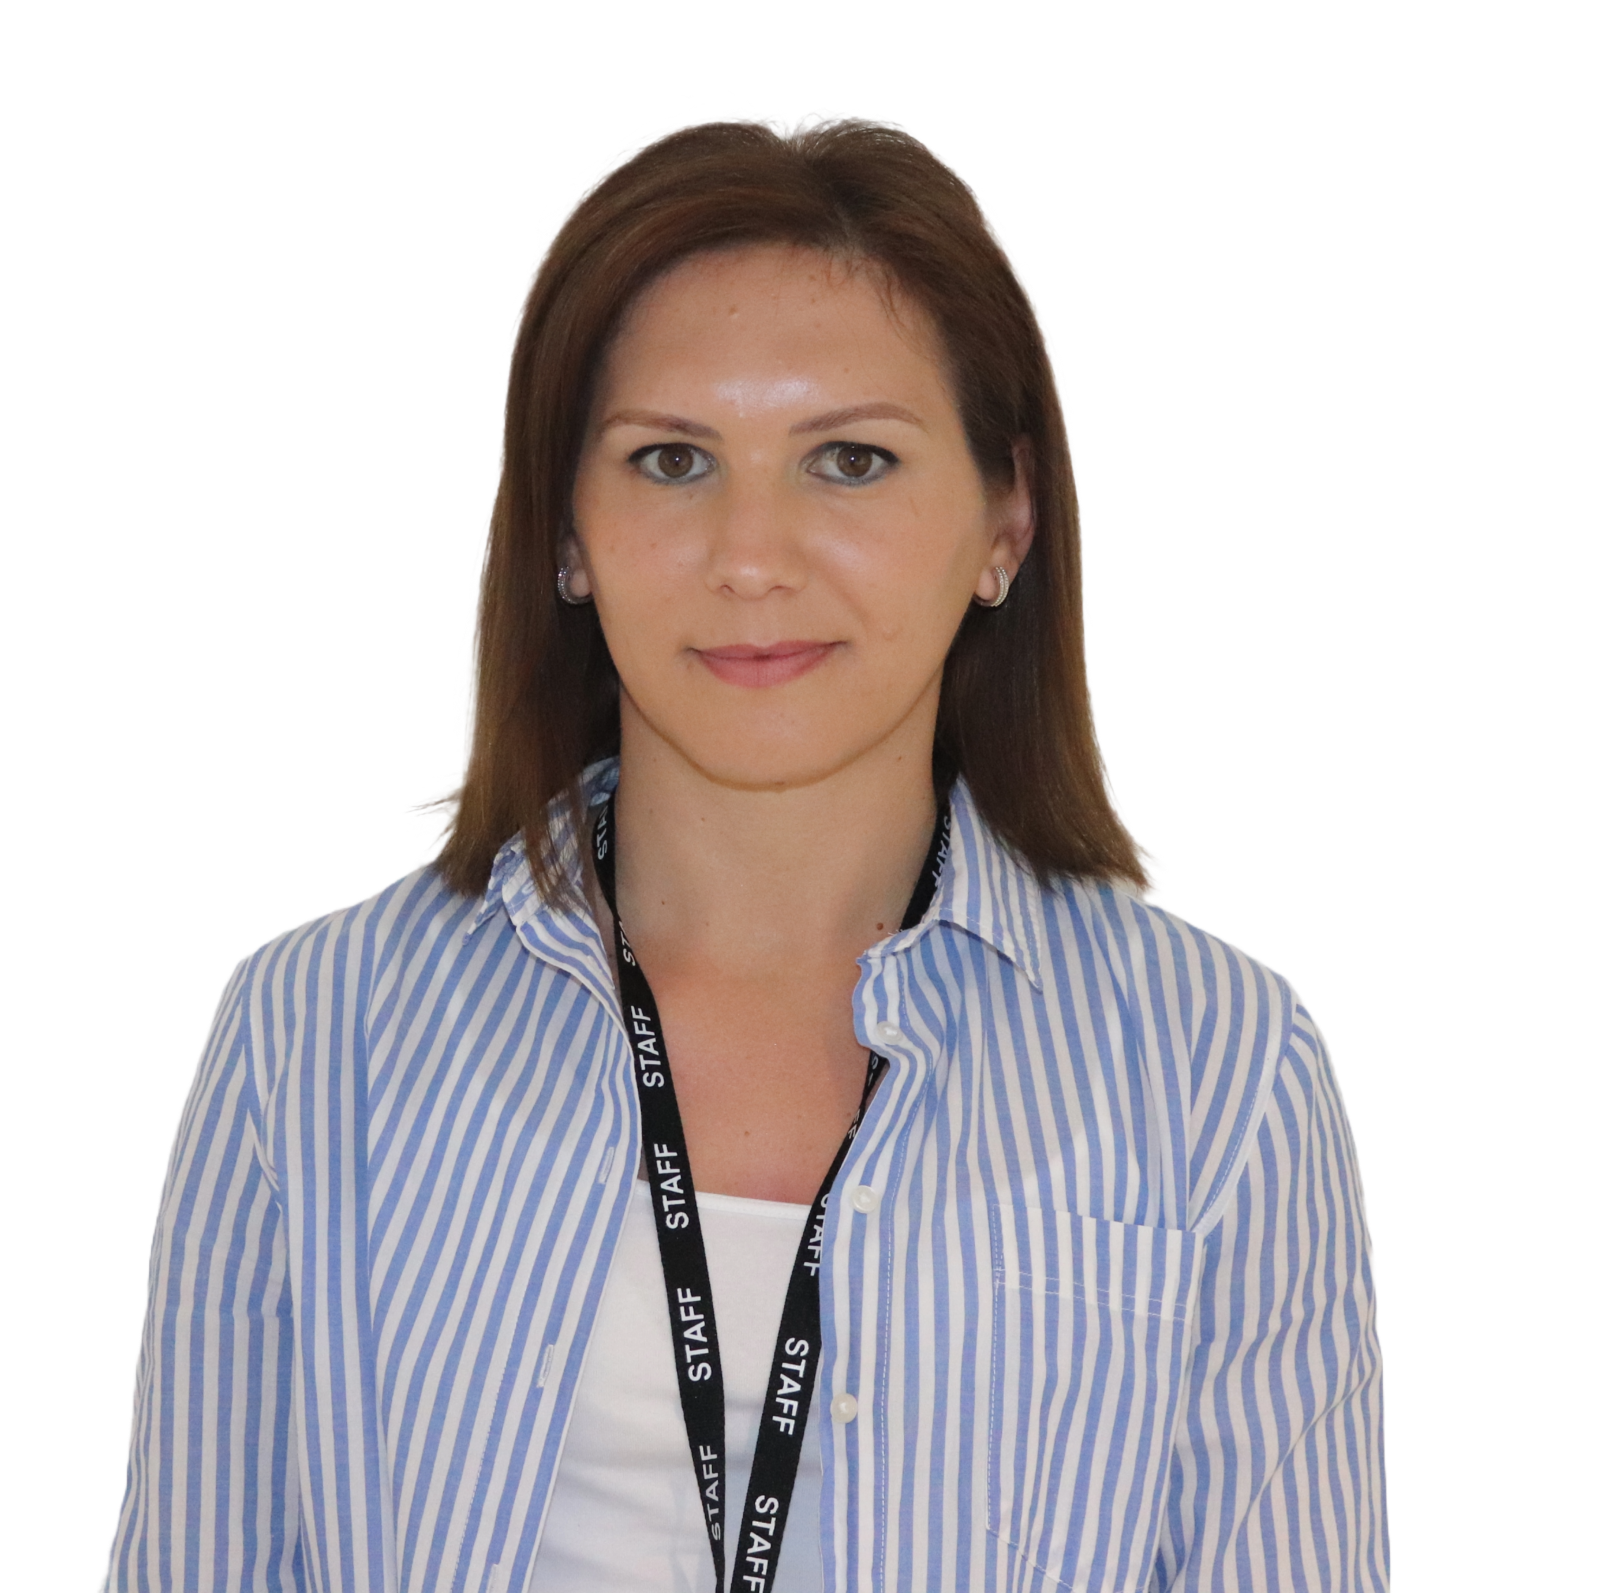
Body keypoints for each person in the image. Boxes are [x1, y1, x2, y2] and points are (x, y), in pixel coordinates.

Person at [101, 104, 1388, 1592]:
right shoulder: (311, 1031)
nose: (752, 557)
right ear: (565, 531)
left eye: (850, 459)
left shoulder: (1223, 1067)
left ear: (1007, 518)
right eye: (670, 461)